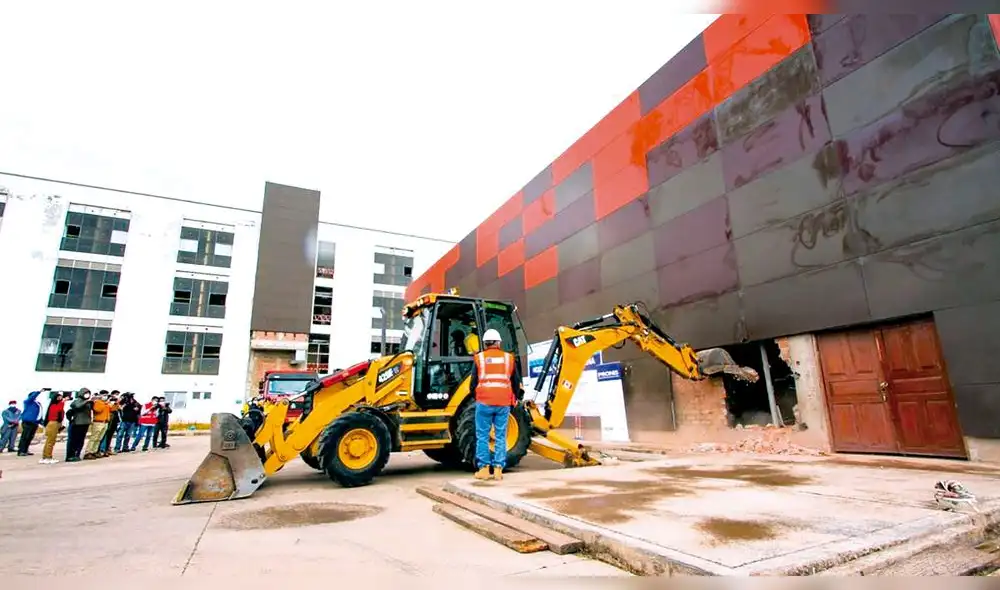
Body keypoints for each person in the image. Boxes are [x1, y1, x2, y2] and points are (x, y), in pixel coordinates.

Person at [468, 328, 522, 482]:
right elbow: (516, 382)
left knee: (483, 436)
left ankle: (484, 469)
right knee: (500, 436)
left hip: (484, 402)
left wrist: (477, 396)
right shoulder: (508, 358)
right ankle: (498, 470)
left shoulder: (480, 358)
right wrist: (515, 397)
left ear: (485, 343)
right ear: (499, 342)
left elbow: (472, 384)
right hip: (503, 403)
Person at [16, 388, 47, 457]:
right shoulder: (28, 402)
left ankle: (25, 450)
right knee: (25, 437)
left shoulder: (37, 403)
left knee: (30, 437)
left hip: (35, 422)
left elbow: (39, 413)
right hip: (28, 422)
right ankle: (21, 451)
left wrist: (42, 422)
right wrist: (39, 391)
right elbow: (32, 397)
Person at [65, 388, 94, 462]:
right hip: (78, 423)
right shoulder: (77, 401)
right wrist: (86, 401)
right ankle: (70, 456)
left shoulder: (88, 402)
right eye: (86, 393)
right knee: (74, 441)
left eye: (88, 393)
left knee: (81, 441)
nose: (87, 395)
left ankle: (77, 454)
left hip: (85, 423)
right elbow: (77, 406)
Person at [83, 391, 111, 460]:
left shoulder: (106, 404)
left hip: (105, 422)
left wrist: (112, 403)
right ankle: (88, 452)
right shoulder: (98, 402)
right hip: (98, 422)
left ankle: (94, 451)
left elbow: (112, 409)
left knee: (99, 438)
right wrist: (104, 404)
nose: (106, 397)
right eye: (104, 395)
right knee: (94, 437)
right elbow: (98, 410)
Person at [40, 391, 65, 464]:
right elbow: (59, 409)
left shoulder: (57, 405)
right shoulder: (53, 405)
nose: (60, 399)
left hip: (56, 424)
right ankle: (48, 457)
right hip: (53, 424)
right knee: (50, 442)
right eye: (59, 398)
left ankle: (45, 456)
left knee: (50, 441)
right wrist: (63, 402)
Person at [99, 391, 120, 457]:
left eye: (117, 395)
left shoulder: (115, 402)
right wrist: (109, 403)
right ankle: (102, 450)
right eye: (115, 394)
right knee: (105, 435)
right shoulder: (104, 402)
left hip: (114, 419)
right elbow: (109, 409)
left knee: (110, 435)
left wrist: (116, 403)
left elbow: (116, 409)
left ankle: (107, 449)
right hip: (108, 419)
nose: (116, 396)